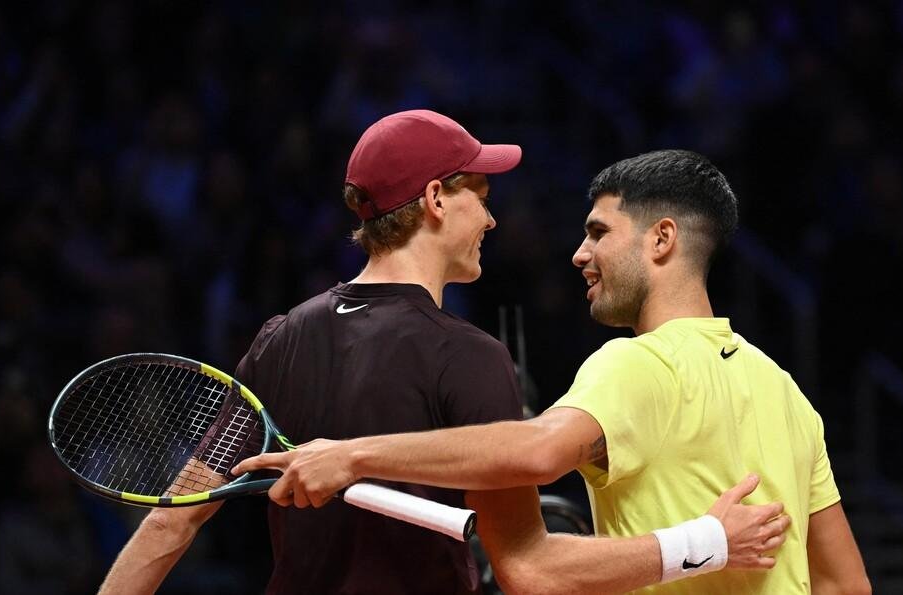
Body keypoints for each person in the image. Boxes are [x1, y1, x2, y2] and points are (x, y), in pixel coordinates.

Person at [99, 113, 790, 594]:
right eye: (479, 195)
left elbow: (170, 519)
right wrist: (703, 542)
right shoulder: (469, 356)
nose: (490, 218)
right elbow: (531, 572)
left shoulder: (278, 337)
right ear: (434, 199)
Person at [235, 149, 871, 594]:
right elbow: (845, 583)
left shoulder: (634, 364)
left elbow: (538, 459)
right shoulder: (784, 390)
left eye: (598, 233)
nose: (579, 253)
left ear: (661, 240)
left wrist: (352, 455)